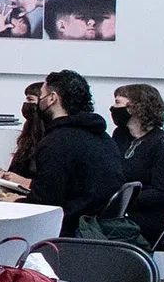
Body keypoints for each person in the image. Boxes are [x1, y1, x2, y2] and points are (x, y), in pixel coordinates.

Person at [20, 71, 128, 237]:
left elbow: (44, 206)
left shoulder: (57, 143)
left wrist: (16, 202)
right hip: (99, 231)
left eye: (41, 94)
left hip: (70, 234)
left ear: (52, 98)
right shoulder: (102, 136)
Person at [115, 83, 164, 247]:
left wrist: (121, 199)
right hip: (119, 213)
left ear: (135, 108)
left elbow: (162, 192)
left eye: (118, 103)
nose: (113, 108)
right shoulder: (120, 135)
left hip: (146, 218)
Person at [3, 81, 52, 189]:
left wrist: (21, 180)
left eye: (30, 99)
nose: (25, 104)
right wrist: (3, 175)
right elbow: (16, 169)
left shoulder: (51, 136)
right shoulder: (28, 131)